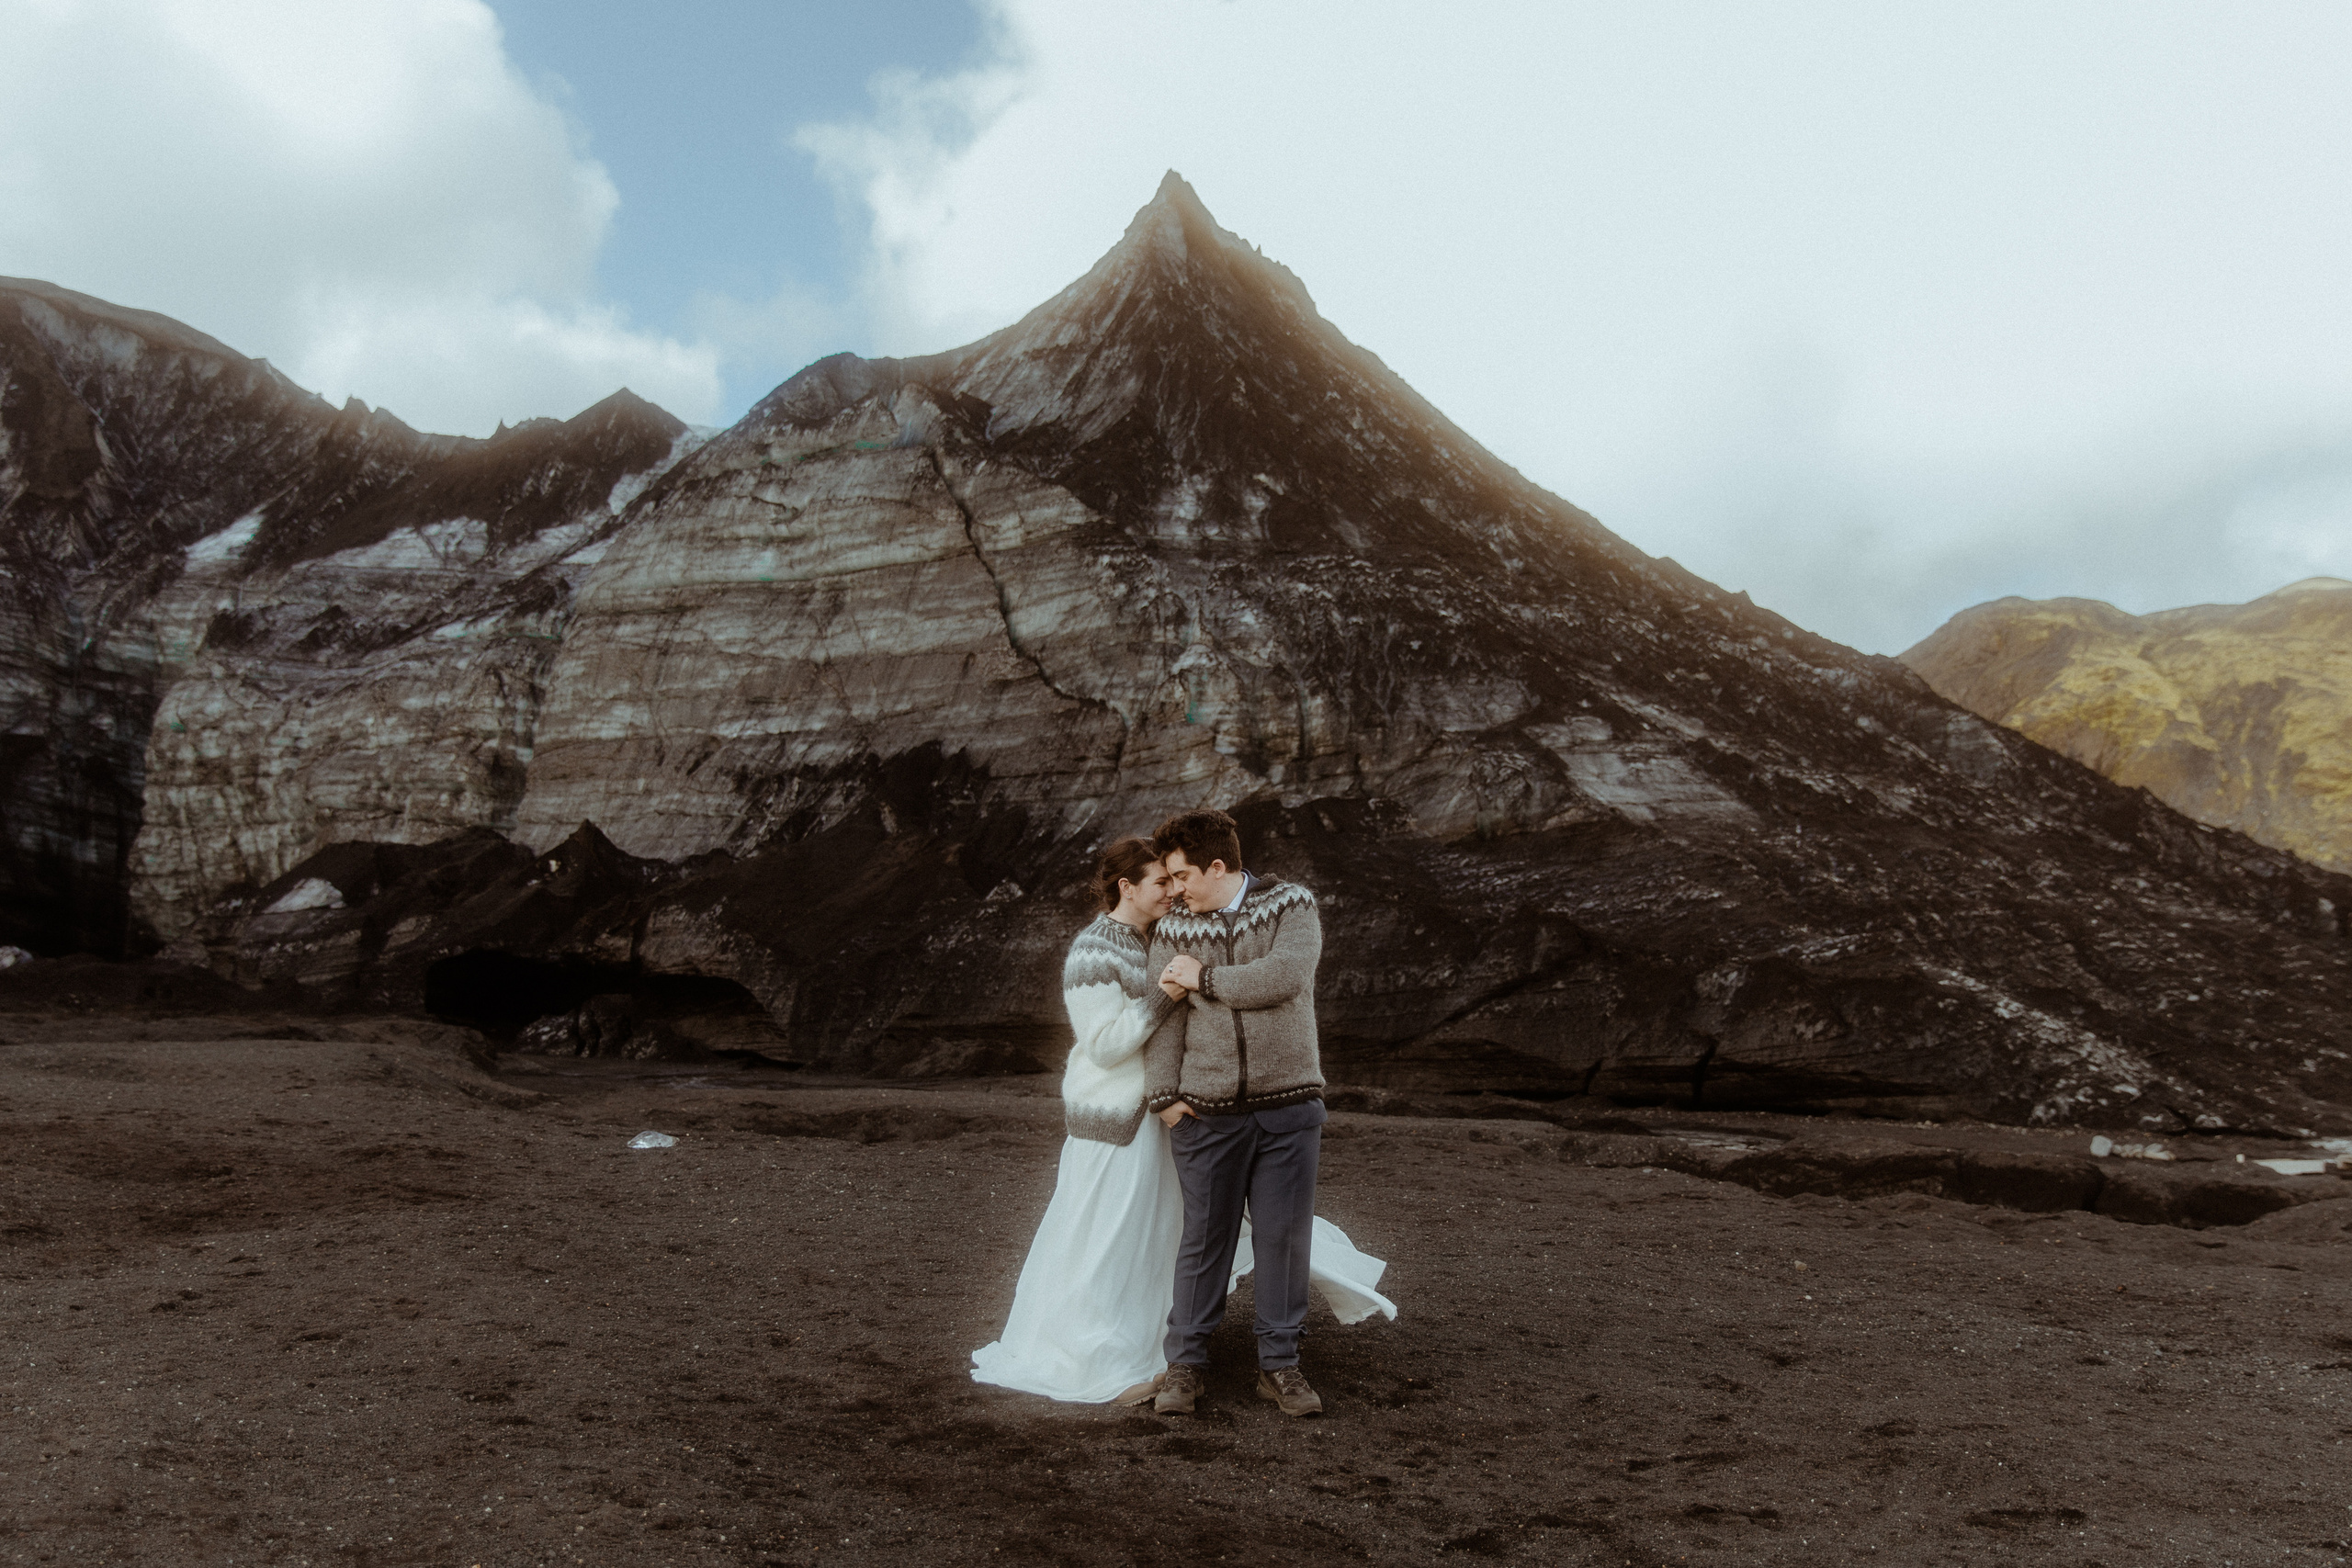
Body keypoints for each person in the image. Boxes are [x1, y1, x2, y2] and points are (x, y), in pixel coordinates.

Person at [970, 836, 1394, 1407]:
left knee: (1161, 1238)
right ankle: (1099, 1351)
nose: (1174, 892)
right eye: (1161, 882)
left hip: (1161, 1117)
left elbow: (1266, 983)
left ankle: (1173, 1349)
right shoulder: (1095, 950)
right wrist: (1172, 992)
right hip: (1115, 1122)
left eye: (1177, 879)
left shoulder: (1160, 934)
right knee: (1105, 1242)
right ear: (1129, 887)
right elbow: (1105, 1044)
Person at [1143, 807, 1352, 1418]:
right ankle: (1186, 1362)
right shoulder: (1175, 925)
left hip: (1289, 1104)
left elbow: (1284, 977)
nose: (1176, 890)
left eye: (1183, 875)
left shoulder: (1291, 904)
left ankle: (1280, 1365)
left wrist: (1203, 976)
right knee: (1204, 1238)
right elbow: (1164, 1016)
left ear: (1217, 865)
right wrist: (1165, 1097)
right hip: (1204, 1112)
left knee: (1285, 1239)